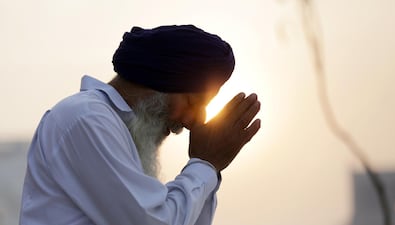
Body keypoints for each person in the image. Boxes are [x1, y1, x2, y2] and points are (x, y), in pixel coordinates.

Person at [19, 25, 261, 225]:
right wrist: (205, 165)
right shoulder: (87, 119)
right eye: (191, 101)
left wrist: (210, 168)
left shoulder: (118, 130)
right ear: (159, 80)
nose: (190, 122)